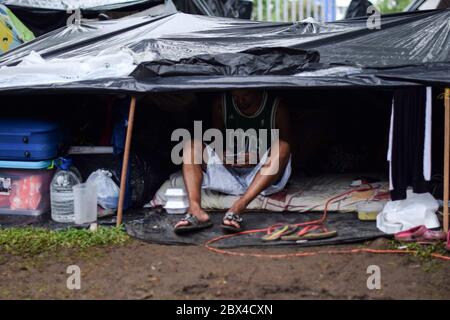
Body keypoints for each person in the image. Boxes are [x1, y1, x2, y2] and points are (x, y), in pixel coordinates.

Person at [174, 89, 292, 234]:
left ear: (258, 91)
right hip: (227, 173)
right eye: (235, 97)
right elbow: (215, 139)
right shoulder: (221, 104)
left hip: (260, 176)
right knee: (191, 146)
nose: (240, 101)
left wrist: (258, 157)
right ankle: (195, 209)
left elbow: (289, 149)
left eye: (246, 95)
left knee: (282, 147)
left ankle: (237, 208)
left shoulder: (277, 108)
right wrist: (222, 155)